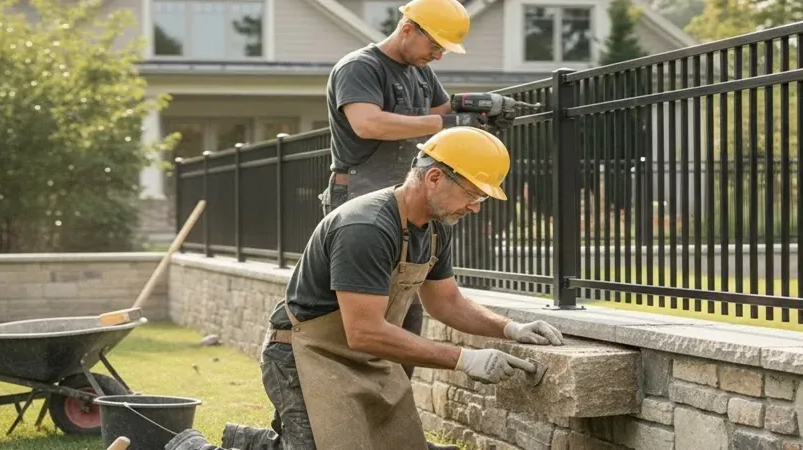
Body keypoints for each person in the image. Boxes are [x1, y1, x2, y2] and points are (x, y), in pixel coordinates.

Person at [199, 127, 563, 450]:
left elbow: (447, 302)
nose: (475, 207)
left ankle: (252, 442)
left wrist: (509, 328)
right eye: (472, 193)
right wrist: (465, 360)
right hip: (303, 353)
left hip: (364, 355)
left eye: (482, 197)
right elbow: (364, 332)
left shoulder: (436, 227)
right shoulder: (367, 227)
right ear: (434, 177)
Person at [317, 0, 491, 393]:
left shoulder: (422, 73)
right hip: (358, 194)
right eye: (436, 43)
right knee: (353, 308)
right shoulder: (360, 67)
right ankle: (326, 408)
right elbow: (367, 123)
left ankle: (393, 413)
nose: (439, 54)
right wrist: (448, 120)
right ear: (409, 27)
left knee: (407, 305)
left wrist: (476, 111)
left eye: (445, 48)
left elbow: (447, 123)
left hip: (406, 200)